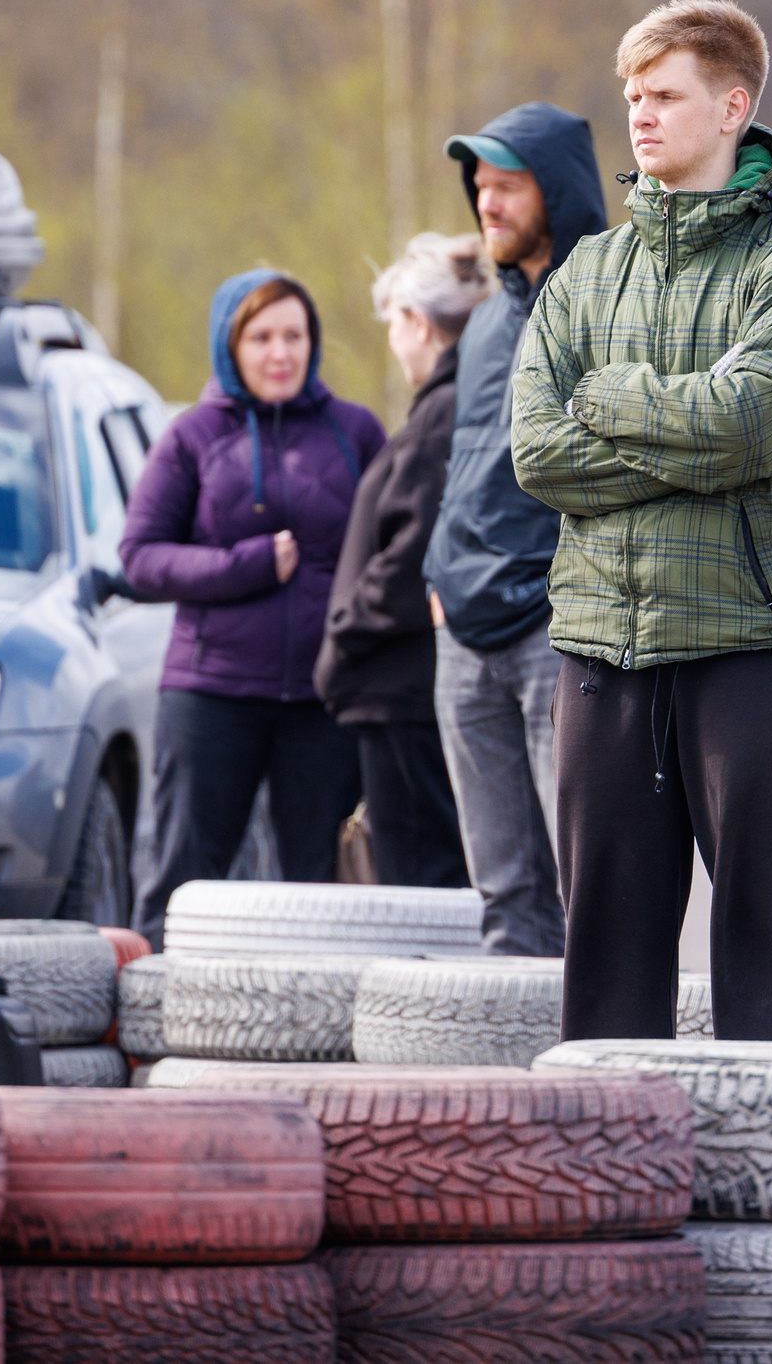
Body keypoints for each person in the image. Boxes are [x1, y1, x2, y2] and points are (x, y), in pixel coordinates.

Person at [511, 0, 772, 1042]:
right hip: (601, 649)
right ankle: (612, 1185)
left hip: (752, 644)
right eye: (632, 95)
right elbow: (536, 451)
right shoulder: (584, 272)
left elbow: (752, 428)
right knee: (606, 957)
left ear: (732, 107)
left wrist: (610, 399)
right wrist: (687, 444)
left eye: (665, 94)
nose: (640, 115)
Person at [122, 269, 388, 949]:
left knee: (319, 888)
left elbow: (395, 545)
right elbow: (142, 557)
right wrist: (245, 565)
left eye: (293, 335)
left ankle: (319, 1042)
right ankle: (155, 1023)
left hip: (322, 700)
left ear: (313, 342)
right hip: (213, 692)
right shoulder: (192, 436)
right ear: (229, 346)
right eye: (261, 337)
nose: (280, 353)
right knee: (183, 877)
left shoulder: (354, 432)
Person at [425, 101, 610, 955]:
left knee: (590, 881)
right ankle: (514, 1089)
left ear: (557, 191)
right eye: (480, 189)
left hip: (554, 630)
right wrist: (438, 578)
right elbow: (463, 463)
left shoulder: (609, 303)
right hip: (462, 635)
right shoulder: (488, 318)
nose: (487, 205)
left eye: (507, 187)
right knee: (502, 896)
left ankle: (602, 1076)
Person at [315, 233, 493, 888]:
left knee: (421, 881)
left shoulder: (442, 413)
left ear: (418, 322)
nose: (392, 338)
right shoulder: (450, 406)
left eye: (393, 321)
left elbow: (412, 553)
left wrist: (341, 641)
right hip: (404, 686)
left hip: (402, 690)